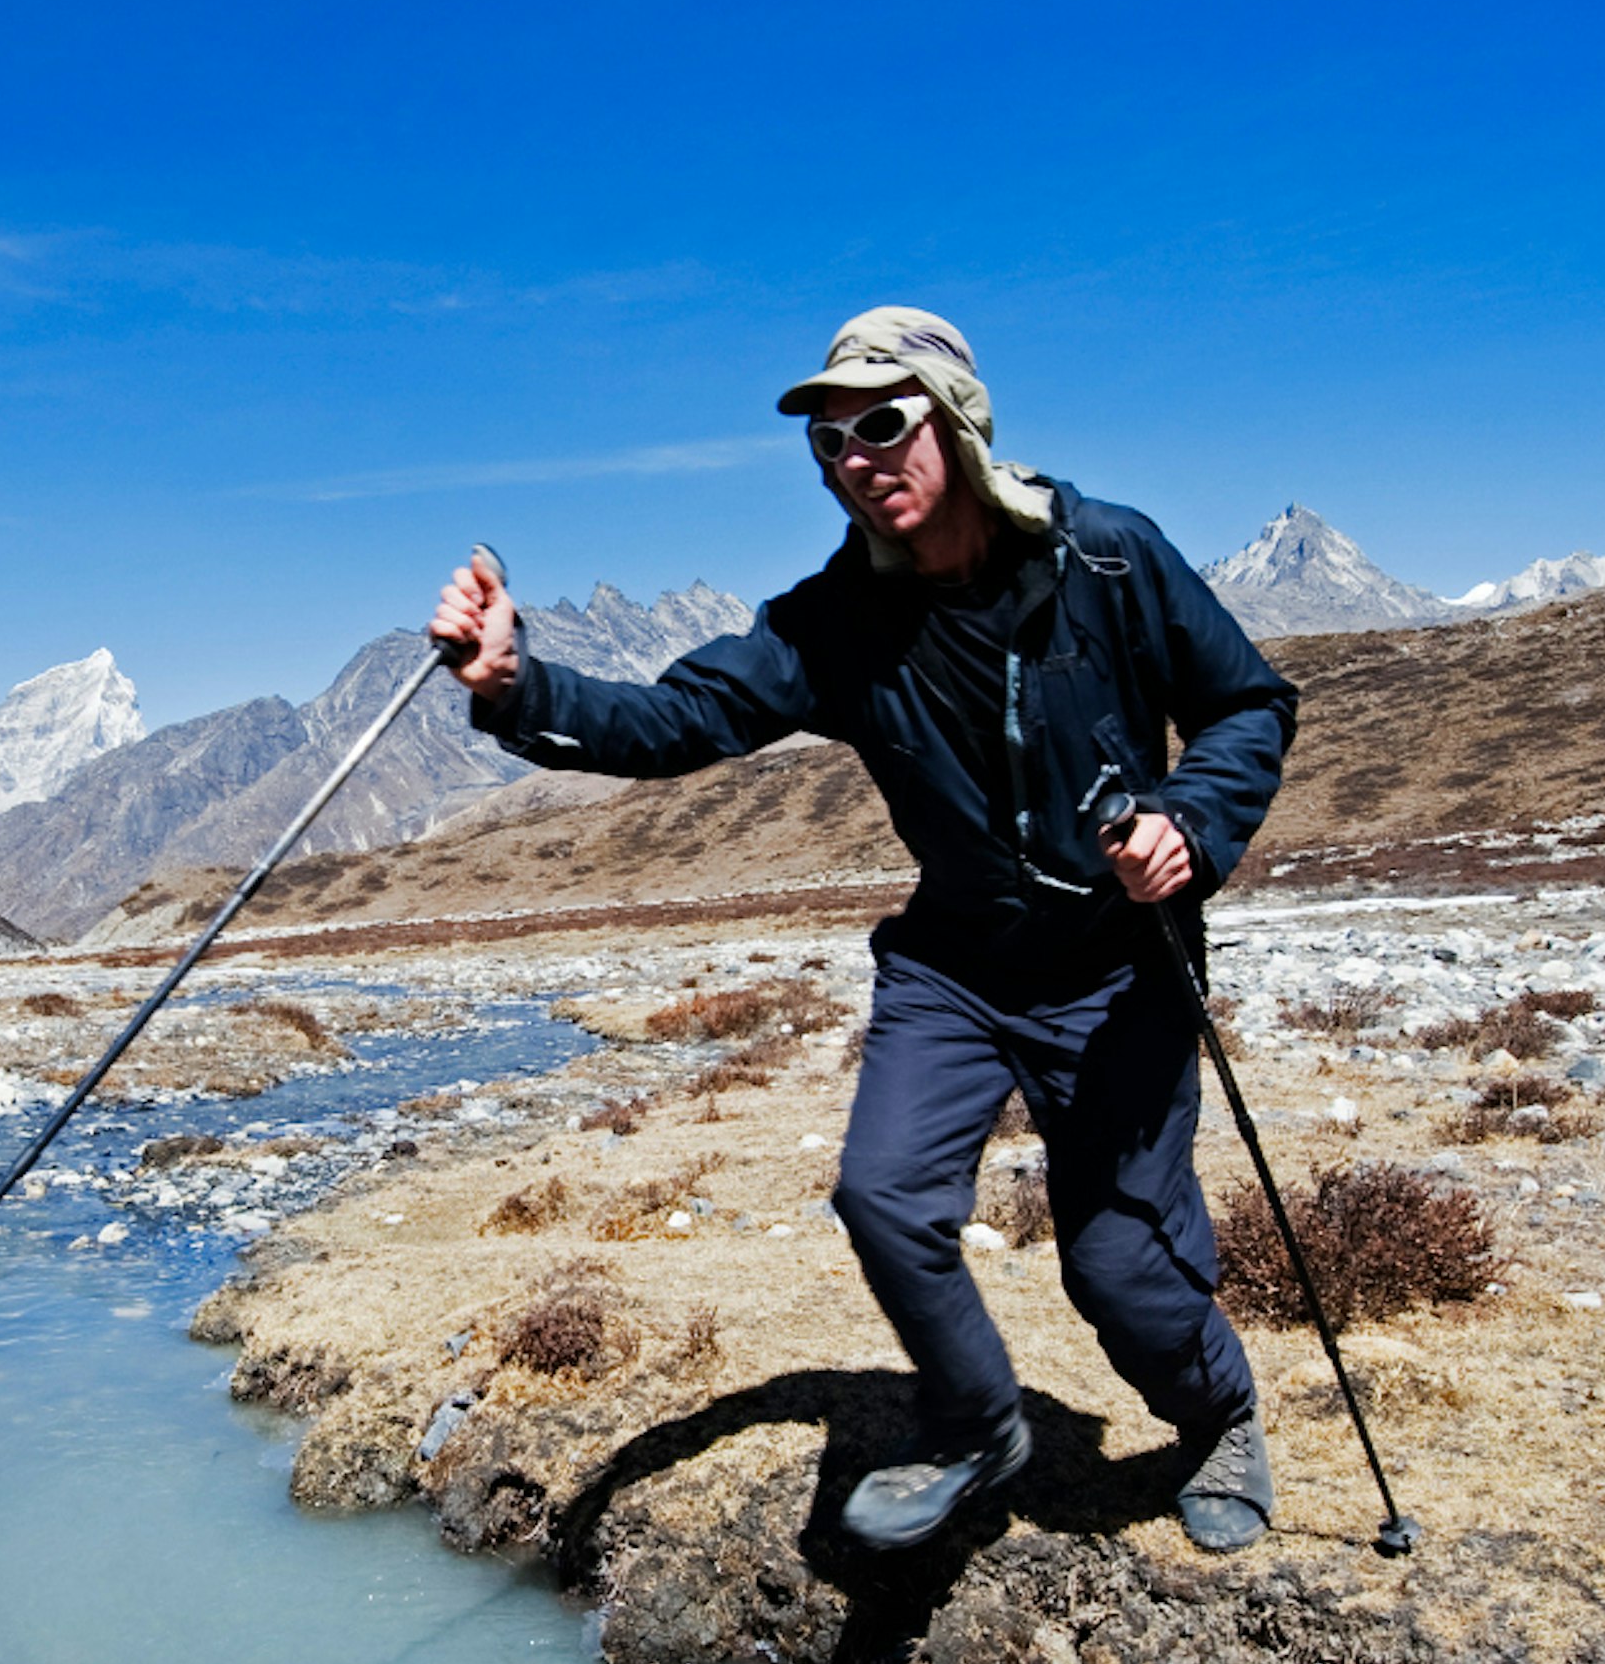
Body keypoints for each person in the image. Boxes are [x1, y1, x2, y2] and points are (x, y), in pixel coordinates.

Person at [426, 307, 1298, 1554]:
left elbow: (1249, 706)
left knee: (1118, 1271)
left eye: (880, 425)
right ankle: (973, 1423)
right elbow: (679, 721)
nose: (854, 459)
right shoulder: (832, 620)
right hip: (955, 966)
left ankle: (1219, 1417)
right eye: (827, 444)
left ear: (957, 420)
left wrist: (1192, 825)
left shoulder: (1108, 560)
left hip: (1119, 969)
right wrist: (516, 689)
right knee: (882, 1195)